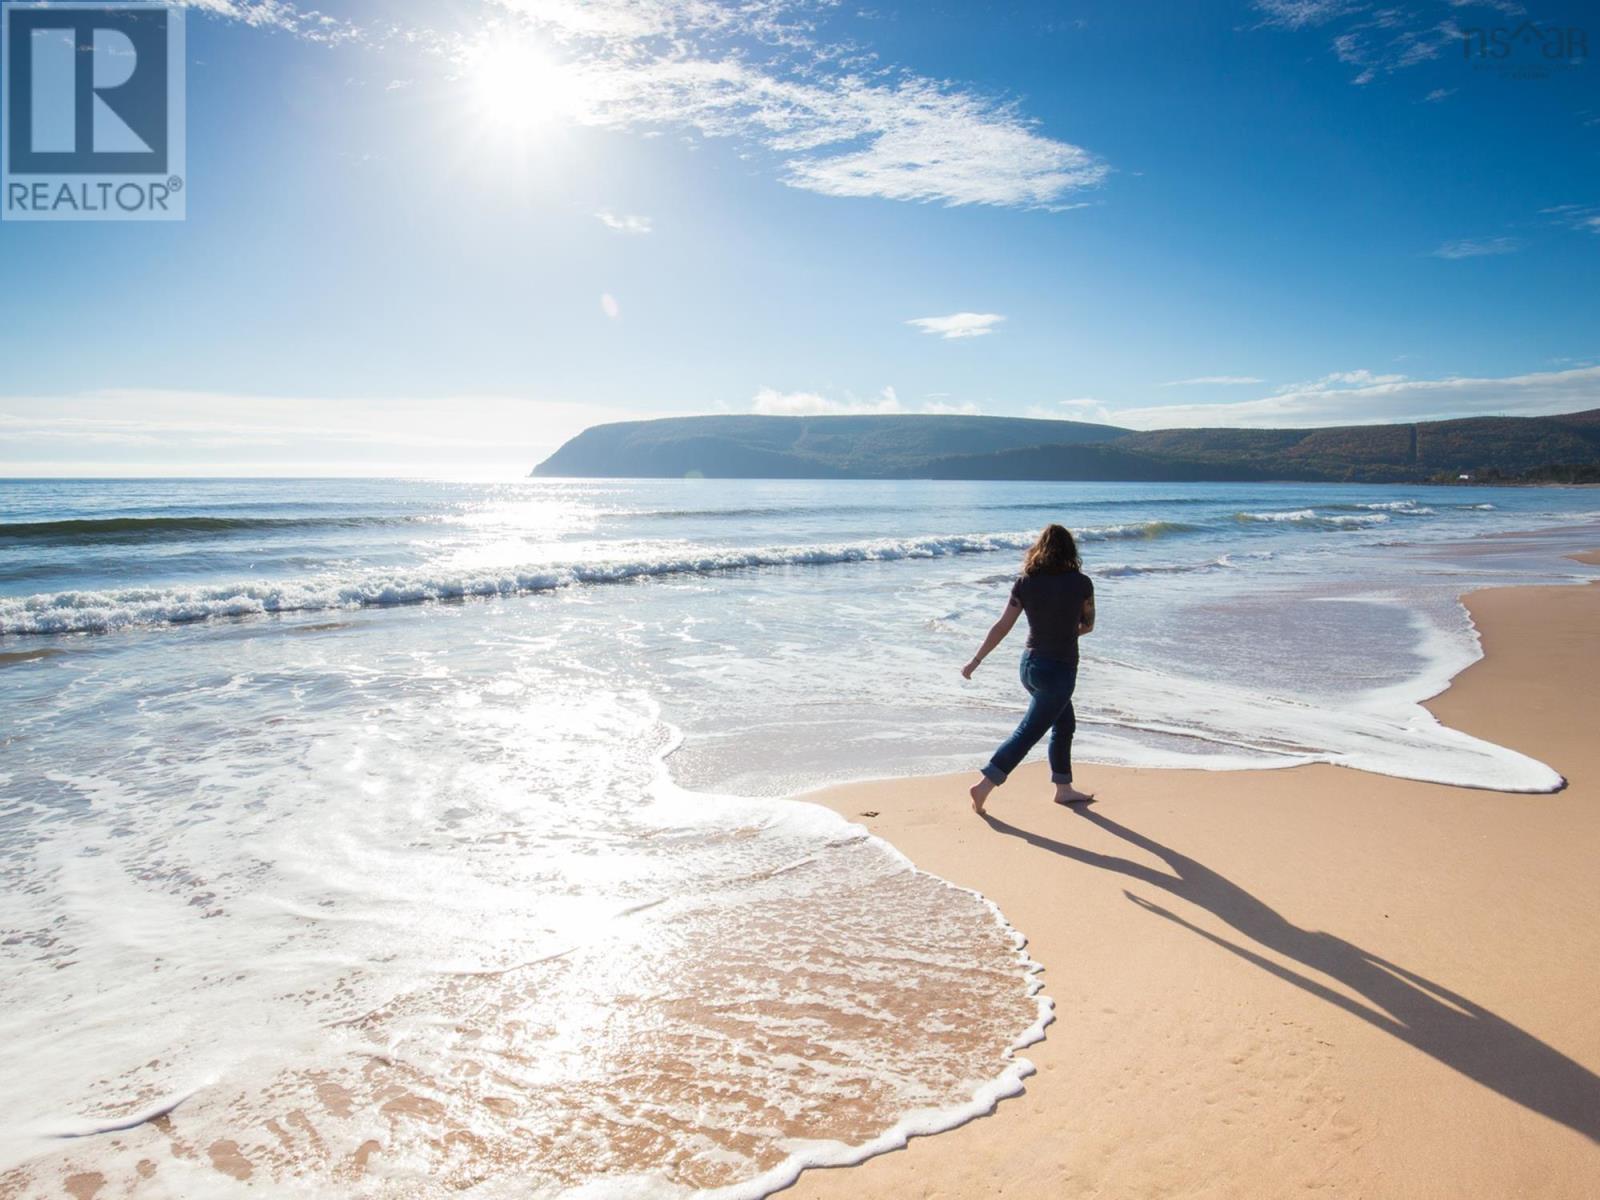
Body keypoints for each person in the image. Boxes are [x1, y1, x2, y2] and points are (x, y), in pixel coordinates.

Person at [962, 524, 1095, 814]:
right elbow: (1088, 625)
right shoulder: (1082, 583)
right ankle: (984, 784)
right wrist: (1064, 631)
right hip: (1060, 670)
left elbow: (1002, 626)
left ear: (1039, 549)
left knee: (1064, 723)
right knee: (1028, 731)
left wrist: (976, 660)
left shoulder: (1026, 582)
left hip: (1030, 666)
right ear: (1070, 550)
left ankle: (1064, 788)